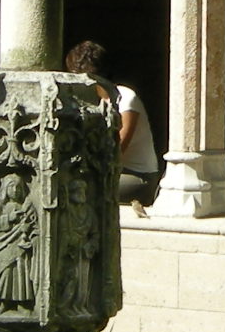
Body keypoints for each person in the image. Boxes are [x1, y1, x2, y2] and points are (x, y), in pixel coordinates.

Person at [63, 39, 159, 208]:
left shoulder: (126, 98)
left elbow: (116, 149)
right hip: (104, 172)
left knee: (78, 189)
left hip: (137, 177)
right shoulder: (81, 102)